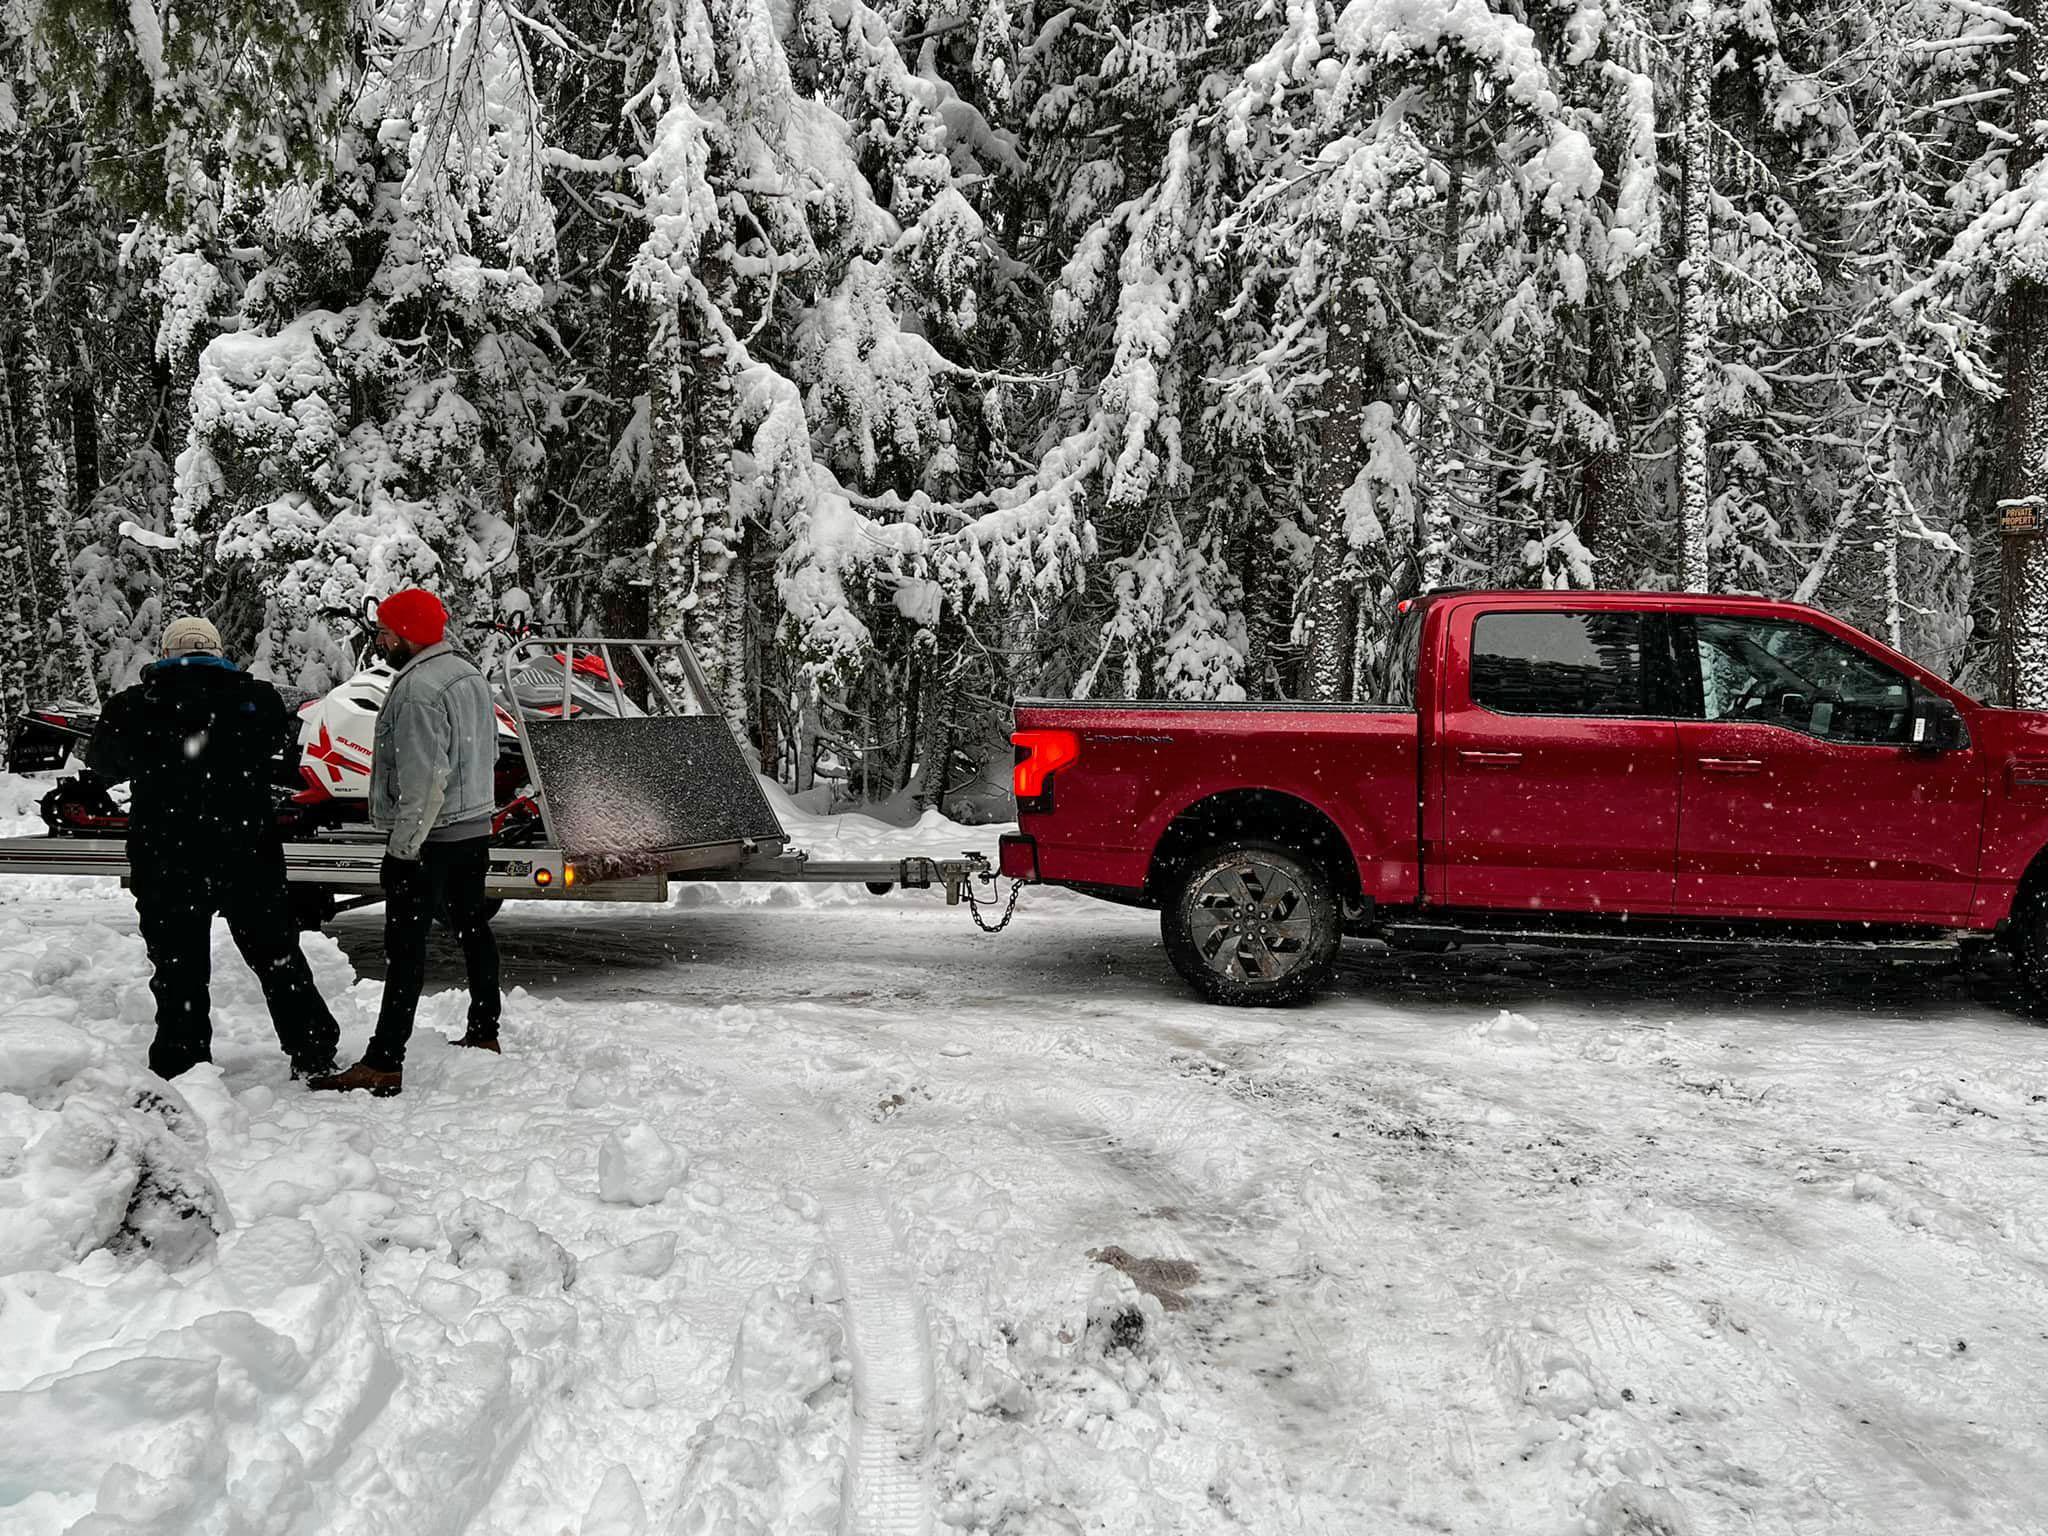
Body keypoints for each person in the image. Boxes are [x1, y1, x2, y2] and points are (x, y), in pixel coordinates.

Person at [87, 616, 341, 1080]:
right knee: (277, 955)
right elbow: (279, 748)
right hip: (246, 850)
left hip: (166, 853)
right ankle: (313, 1049)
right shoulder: (257, 700)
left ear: (166, 653)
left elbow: (104, 764)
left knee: (178, 966)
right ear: (217, 651)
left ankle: (182, 1061)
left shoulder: (132, 706)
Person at [312, 588, 500, 1096]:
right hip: (471, 829)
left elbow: (424, 780)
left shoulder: (419, 689)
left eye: (385, 633)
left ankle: (384, 1061)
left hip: (430, 839)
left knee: (405, 950)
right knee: (473, 928)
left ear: (407, 634)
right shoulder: (466, 674)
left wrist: (403, 849)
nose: (380, 641)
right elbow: (481, 756)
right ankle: (485, 1030)